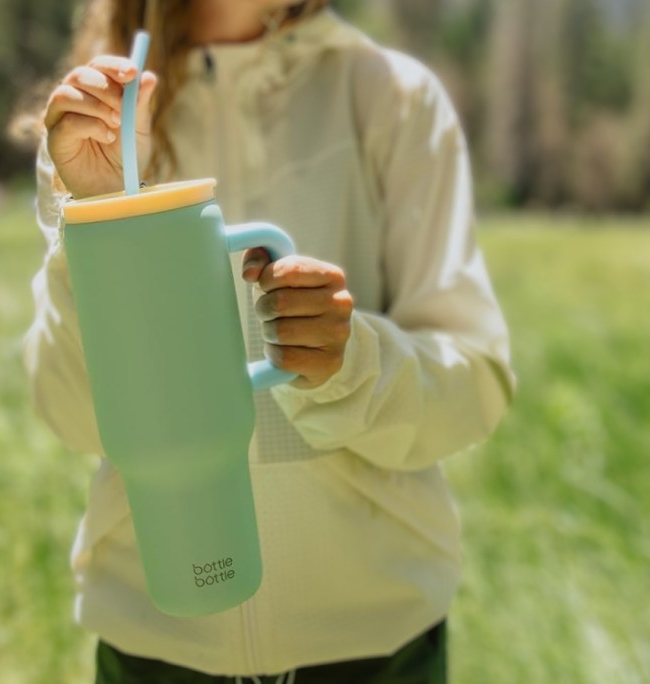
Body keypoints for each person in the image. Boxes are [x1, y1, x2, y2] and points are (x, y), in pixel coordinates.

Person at [25, 1, 515, 682]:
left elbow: (477, 382)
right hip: (159, 655)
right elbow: (72, 414)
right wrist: (98, 218)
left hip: (375, 655)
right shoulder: (101, 124)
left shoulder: (391, 99)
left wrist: (353, 366)